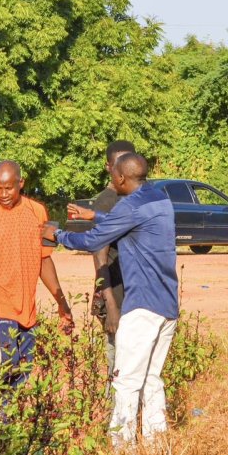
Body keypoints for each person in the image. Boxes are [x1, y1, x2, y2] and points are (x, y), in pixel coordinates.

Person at [47, 153, 178, 445]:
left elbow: (92, 241)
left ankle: (122, 453)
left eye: (112, 175)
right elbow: (134, 223)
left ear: (120, 178)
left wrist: (58, 235)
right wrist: (95, 216)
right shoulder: (159, 199)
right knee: (151, 378)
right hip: (167, 304)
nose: (111, 180)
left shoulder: (128, 205)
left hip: (142, 306)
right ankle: (157, 446)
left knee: (125, 382)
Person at [0, 160, 73, 377]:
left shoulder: (38, 211)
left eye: (9, 188)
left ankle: (6, 402)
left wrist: (62, 302)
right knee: (3, 366)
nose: (3, 194)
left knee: (24, 370)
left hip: (27, 308)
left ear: (21, 183)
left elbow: (44, 259)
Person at [90, 140, 137, 371]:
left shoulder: (136, 197)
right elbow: (100, 257)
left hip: (138, 296)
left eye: (127, 162)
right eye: (118, 163)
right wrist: (110, 306)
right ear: (108, 167)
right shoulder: (105, 202)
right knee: (118, 366)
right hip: (116, 296)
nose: (123, 168)